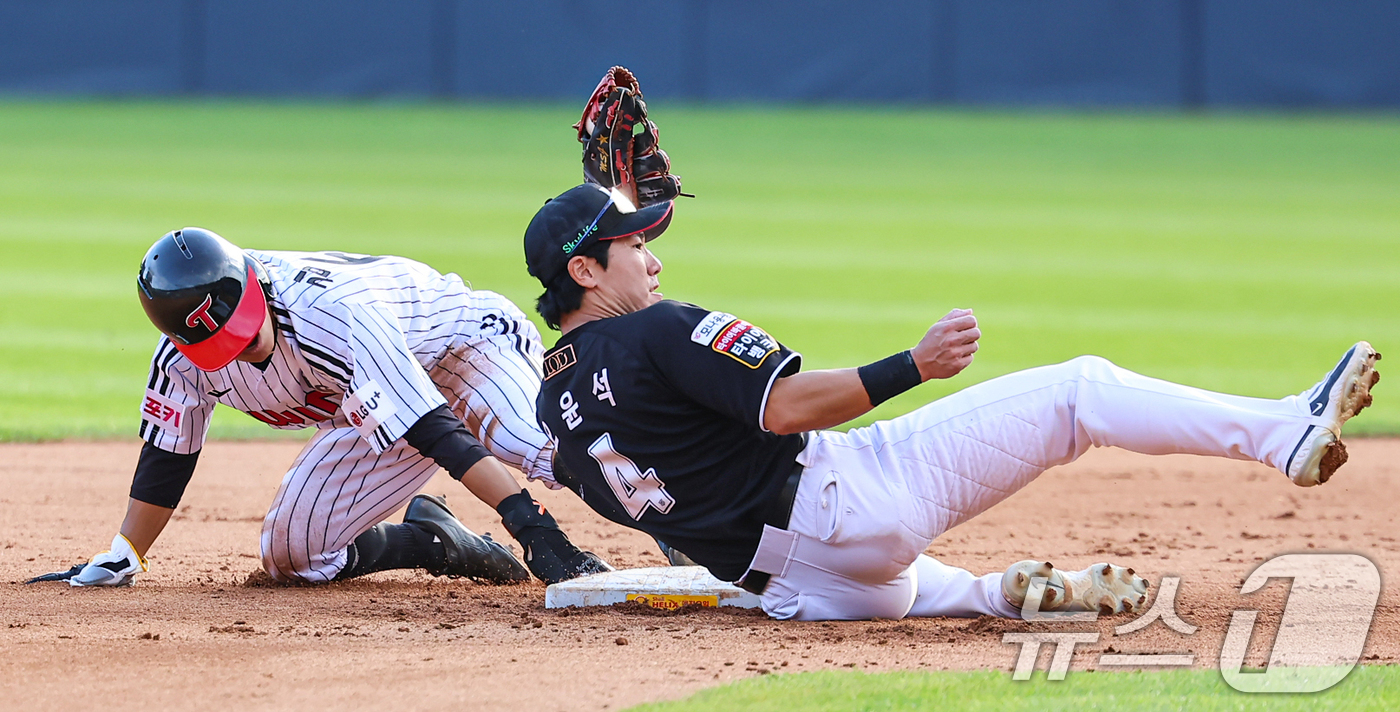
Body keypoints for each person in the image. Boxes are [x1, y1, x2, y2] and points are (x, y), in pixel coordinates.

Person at [521, 183, 1380, 622]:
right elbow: (785, 408)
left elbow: (669, 472)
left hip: (801, 585)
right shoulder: (659, 330)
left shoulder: (554, 408)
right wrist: (912, 365)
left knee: (915, 587)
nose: (655, 260)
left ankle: (1005, 595)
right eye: (636, 244)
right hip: (846, 501)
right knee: (1079, 391)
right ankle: (1283, 432)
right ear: (587, 272)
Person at [58, 227, 608, 588]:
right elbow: (168, 453)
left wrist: (536, 531)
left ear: (253, 280)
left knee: (542, 448)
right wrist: (125, 552)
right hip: (376, 401)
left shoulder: (329, 313)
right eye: (221, 341)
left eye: (244, 325)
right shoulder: (181, 362)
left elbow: (435, 427)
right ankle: (437, 542)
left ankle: (679, 519)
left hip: (464, 347)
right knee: (292, 555)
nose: (243, 344)